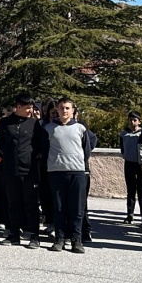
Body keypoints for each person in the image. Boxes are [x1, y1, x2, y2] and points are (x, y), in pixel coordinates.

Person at [37, 97, 91, 254]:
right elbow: (45, 149)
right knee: (59, 207)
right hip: (56, 172)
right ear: (57, 110)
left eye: (67, 108)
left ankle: (76, 240)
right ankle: (59, 239)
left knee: (77, 208)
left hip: (77, 172)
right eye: (61, 108)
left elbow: (86, 150)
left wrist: (77, 162)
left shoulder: (80, 128)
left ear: (73, 110)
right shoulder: (49, 128)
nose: (64, 111)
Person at [0, 95, 42, 248]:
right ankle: (14, 234)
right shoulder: (5, 122)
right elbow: (1, 145)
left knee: (31, 204)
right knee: (12, 203)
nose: (31, 110)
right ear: (18, 107)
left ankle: (34, 236)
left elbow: (39, 146)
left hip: (29, 170)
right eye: (27, 107)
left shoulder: (35, 124)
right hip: (10, 170)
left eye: (31, 107)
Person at [119, 111, 142, 225]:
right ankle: (129, 215)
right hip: (129, 164)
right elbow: (122, 149)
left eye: (135, 120)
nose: (132, 122)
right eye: (130, 120)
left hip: (140, 164)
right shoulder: (124, 134)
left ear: (139, 121)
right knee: (130, 191)